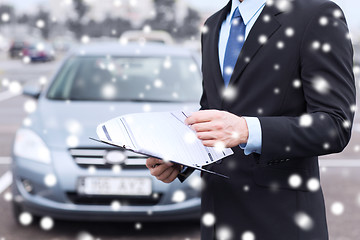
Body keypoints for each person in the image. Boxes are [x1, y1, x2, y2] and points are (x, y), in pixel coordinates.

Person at [146, 0, 356, 239]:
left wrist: (247, 130)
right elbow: (213, 112)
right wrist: (182, 157)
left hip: (281, 222)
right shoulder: (213, 25)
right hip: (217, 218)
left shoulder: (316, 15)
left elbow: (335, 125)